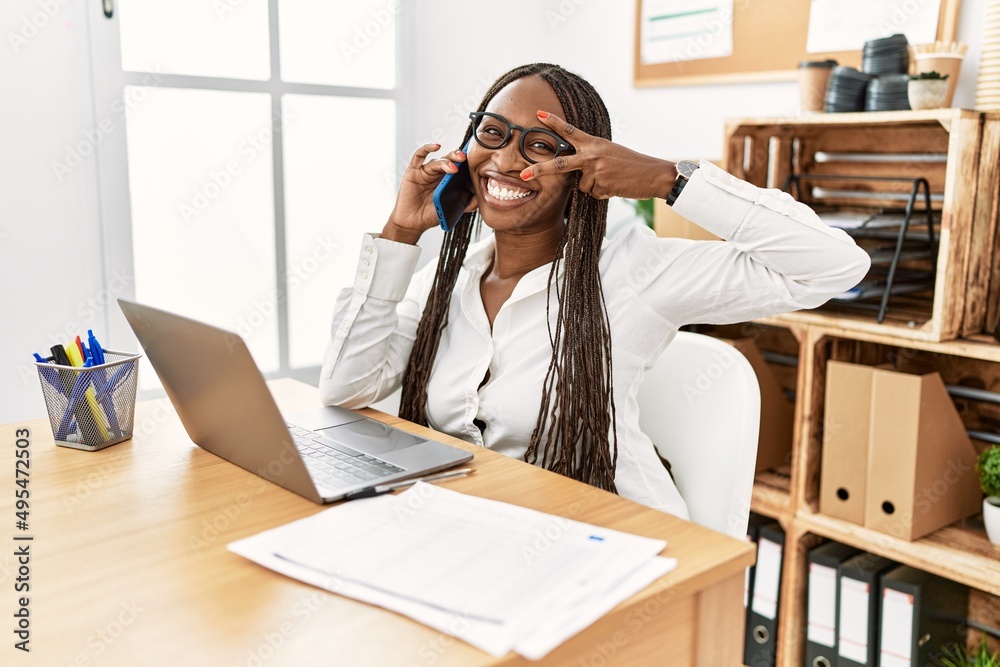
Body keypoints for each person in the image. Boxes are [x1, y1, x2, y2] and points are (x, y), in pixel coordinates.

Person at [319, 63, 870, 519]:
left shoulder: (634, 272)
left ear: (582, 169)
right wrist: (402, 231)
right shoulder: (448, 281)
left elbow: (832, 267)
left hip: (614, 539)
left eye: (540, 146)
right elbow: (346, 388)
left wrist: (667, 179)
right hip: (484, 531)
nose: (507, 160)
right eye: (492, 133)